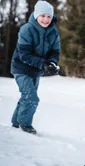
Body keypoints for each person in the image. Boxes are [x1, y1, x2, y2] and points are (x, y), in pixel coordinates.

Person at [10, 0, 60, 134]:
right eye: (43, 16)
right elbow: (24, 54)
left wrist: (52, 63)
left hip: (36, 71)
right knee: (31, 98)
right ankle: (25, 125)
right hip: (21, 68)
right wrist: (43, 63)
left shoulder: (53, 32)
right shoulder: (27, 29)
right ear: (36, 15)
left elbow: (54, 52)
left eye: (49, 16)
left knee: (26, 96)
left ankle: (15, 124)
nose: (46, 19)